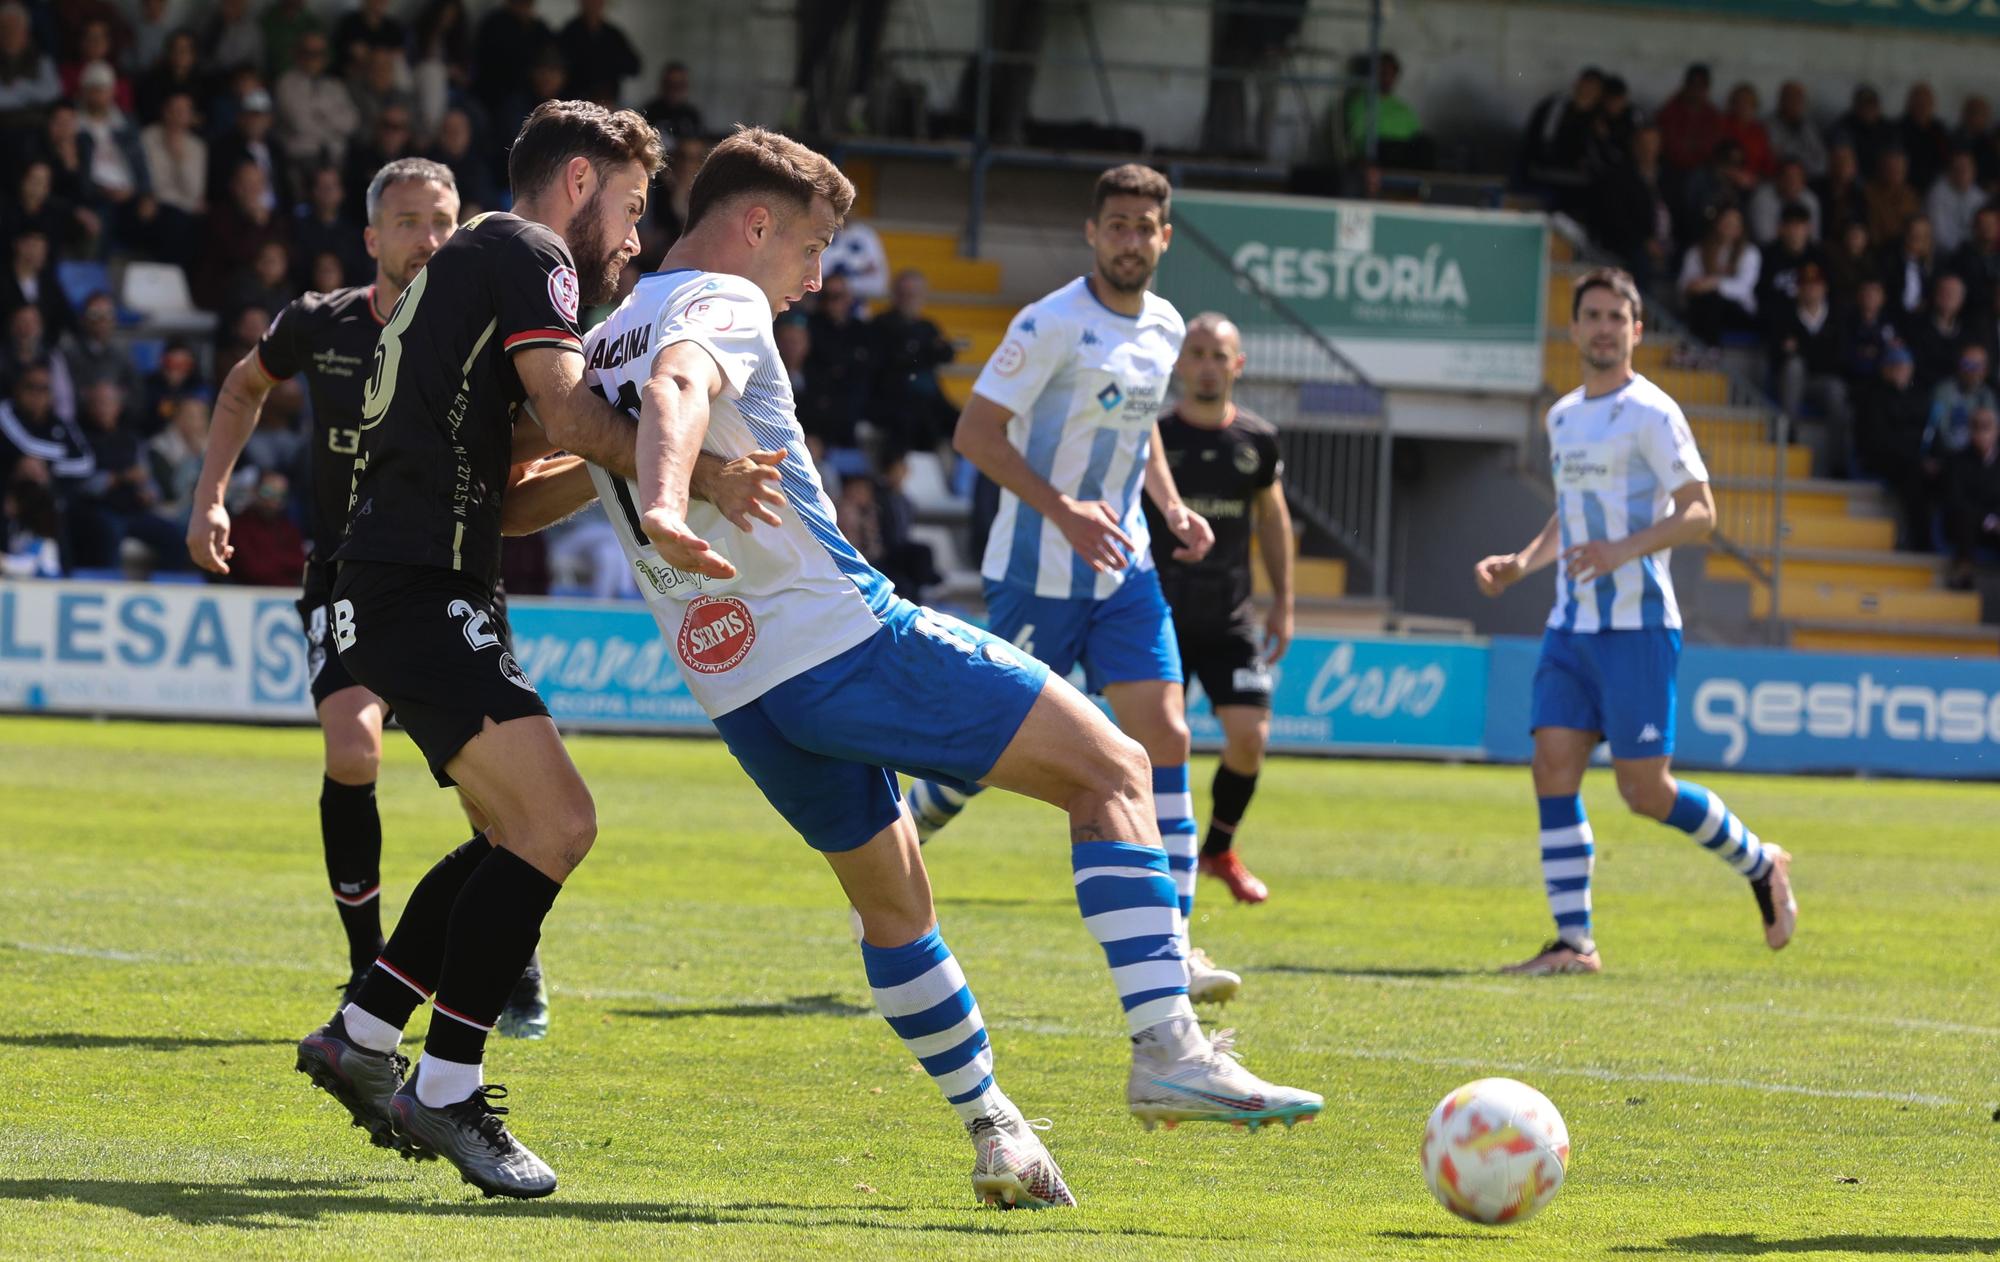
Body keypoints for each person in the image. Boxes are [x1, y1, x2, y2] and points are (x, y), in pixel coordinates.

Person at [508, 127, 1323, 1208]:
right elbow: (677, 391)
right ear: (756, 224)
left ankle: (997, 1129)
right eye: (813, 247)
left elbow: (564, 465)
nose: (812, 277)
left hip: (739, 690)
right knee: (1118, 769)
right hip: (844, 638)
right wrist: (665, 500)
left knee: (894, 904)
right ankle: (1168, 1044)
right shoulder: (721, 303)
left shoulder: (605, 330)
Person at [287, 101, 669, 1202]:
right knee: (559, 823)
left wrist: (617, 465)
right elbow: (565, 404)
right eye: (633, 208)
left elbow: (507, 493)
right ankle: (447, 1085)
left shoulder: (477, 267)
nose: (634, 240)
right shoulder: (528, 250)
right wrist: (677, 458)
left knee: (514, 829)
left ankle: (363, 1031)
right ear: (582, 181)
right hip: (417, 590)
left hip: (409, 583)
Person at [187, 159, 564, 1046]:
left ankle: (514, 955)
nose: (426, 239)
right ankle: (367, 960)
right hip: (350, 575)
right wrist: (210, 495)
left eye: (441, 220)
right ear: (371, 238)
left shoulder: (478, 326)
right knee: (354, 749)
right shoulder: (319, 325)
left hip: (456, 577)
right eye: (406, 222)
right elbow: (245, 386)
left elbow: (525, 440)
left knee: (500, 802)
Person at [903, 164, 1242, 1006]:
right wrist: (1064, 511)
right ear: (1093, 234)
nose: (1131, 240)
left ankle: (1178, 948)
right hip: (1037, 573)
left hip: (1124, 571)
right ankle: (899, 833)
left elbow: (1139, 431)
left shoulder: (1164, 325)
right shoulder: (1049, 323)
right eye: (1117, 225)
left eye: (1145, 227)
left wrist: (1165, 507)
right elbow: (976, 434)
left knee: (1166, 733)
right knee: (982, 754)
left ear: (1166, 237)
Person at [1473, 267, 1797, 976]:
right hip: (1571, 626)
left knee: (1644, 791)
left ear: (1636, 330)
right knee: (1551, 768)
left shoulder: (1653, 412)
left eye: (1616, 316)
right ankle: (1573, 943)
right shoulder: (1562, 417)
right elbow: (1572, 511)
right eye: (1591, 314)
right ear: (1575, 328)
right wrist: (1523, 562)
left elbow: (1701, 511)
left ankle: (1759, 861)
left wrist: (1623, 549)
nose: (1602, 327)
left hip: (1639, 625)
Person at [1142, 313, 1292, 907]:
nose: (1207, 364)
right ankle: (1153, 861)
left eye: (1218, 354)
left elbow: (1274, 522)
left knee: (1250, 736)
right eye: (1196, 352)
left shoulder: (1256, 440)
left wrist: (1283, 603)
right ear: (1180, 363)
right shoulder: (1154, 435)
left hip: (1230, 617)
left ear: (1238, 364)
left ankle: (1218, 850)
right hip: (1158, 613)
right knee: (1160, 742)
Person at [1677, 206, 1760, 344]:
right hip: (1702, 307)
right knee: (1705, 300)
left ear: (1741, 228)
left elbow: (1743, 288)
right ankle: (1699, 349)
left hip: (1738, 311)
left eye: (1734, 224)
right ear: (1716, 224)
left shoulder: (1749, 253)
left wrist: (1713, 284)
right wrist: (1696, 287)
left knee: (1712, 298)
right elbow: (1684, 285)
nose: (1729, 228)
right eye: (1726, 223)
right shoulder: (1697, 251)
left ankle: (1707, 350)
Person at [1944, 407, 2000, 587]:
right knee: (1964, 517)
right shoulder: (1958, 461)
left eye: (1986, 427)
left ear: (1996, 430)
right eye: (1976, 427)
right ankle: (1963, 573)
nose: (1982, 433)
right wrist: (1989, 520)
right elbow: (1956, 500)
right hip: (1970, 526)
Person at [1766, 80, 1826, 179]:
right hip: (1782, 179)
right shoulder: (1769, 125)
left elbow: (1821, 159)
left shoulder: (1808, 125)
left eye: (1799, 98)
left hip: (1810, 178)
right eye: (1791, 97)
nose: (1796, 102)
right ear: (1781, 100)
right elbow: (1781, 156)